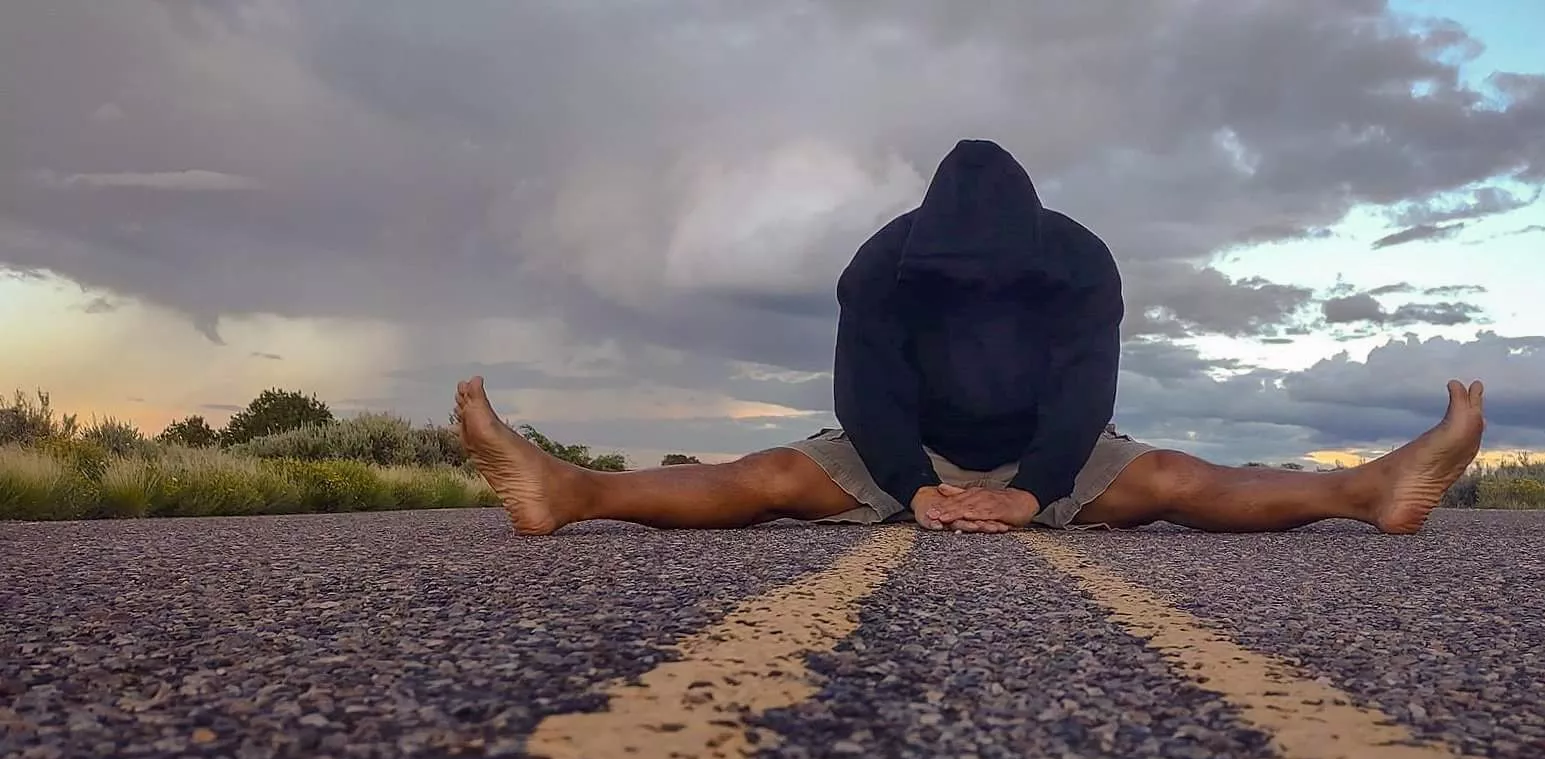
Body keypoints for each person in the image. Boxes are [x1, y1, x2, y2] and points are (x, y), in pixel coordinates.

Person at [454, 139, 1486, 536]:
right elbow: (866, 396)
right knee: (769, 471)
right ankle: (571, 491)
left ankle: (1369, 490)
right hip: (914, 439)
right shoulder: (880, 266)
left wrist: (1031, 490)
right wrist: (916, 488)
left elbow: (1086, 397)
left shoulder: (1082, 263)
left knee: (1172, 475)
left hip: (1048, 440)